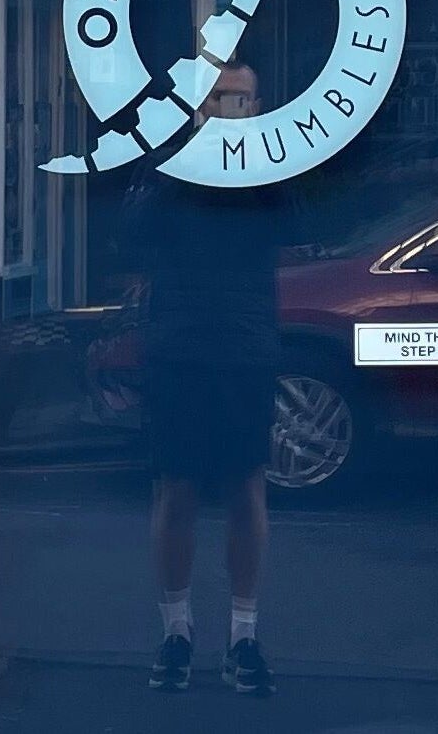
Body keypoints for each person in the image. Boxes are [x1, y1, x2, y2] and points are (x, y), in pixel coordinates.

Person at [117, 61, 289, 697]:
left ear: (258, 105)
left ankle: (243, 637)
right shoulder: (171, 160)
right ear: (199, 106)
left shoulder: (273, 162)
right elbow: (131, 231)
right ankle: (176, 632)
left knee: (247, 489)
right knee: (177, 491)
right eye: (218, 98)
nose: (229, 108)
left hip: (244, 348)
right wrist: (187, 158)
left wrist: (257, 161)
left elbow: (302, 223)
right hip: (180, 348)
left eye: (240, 98)